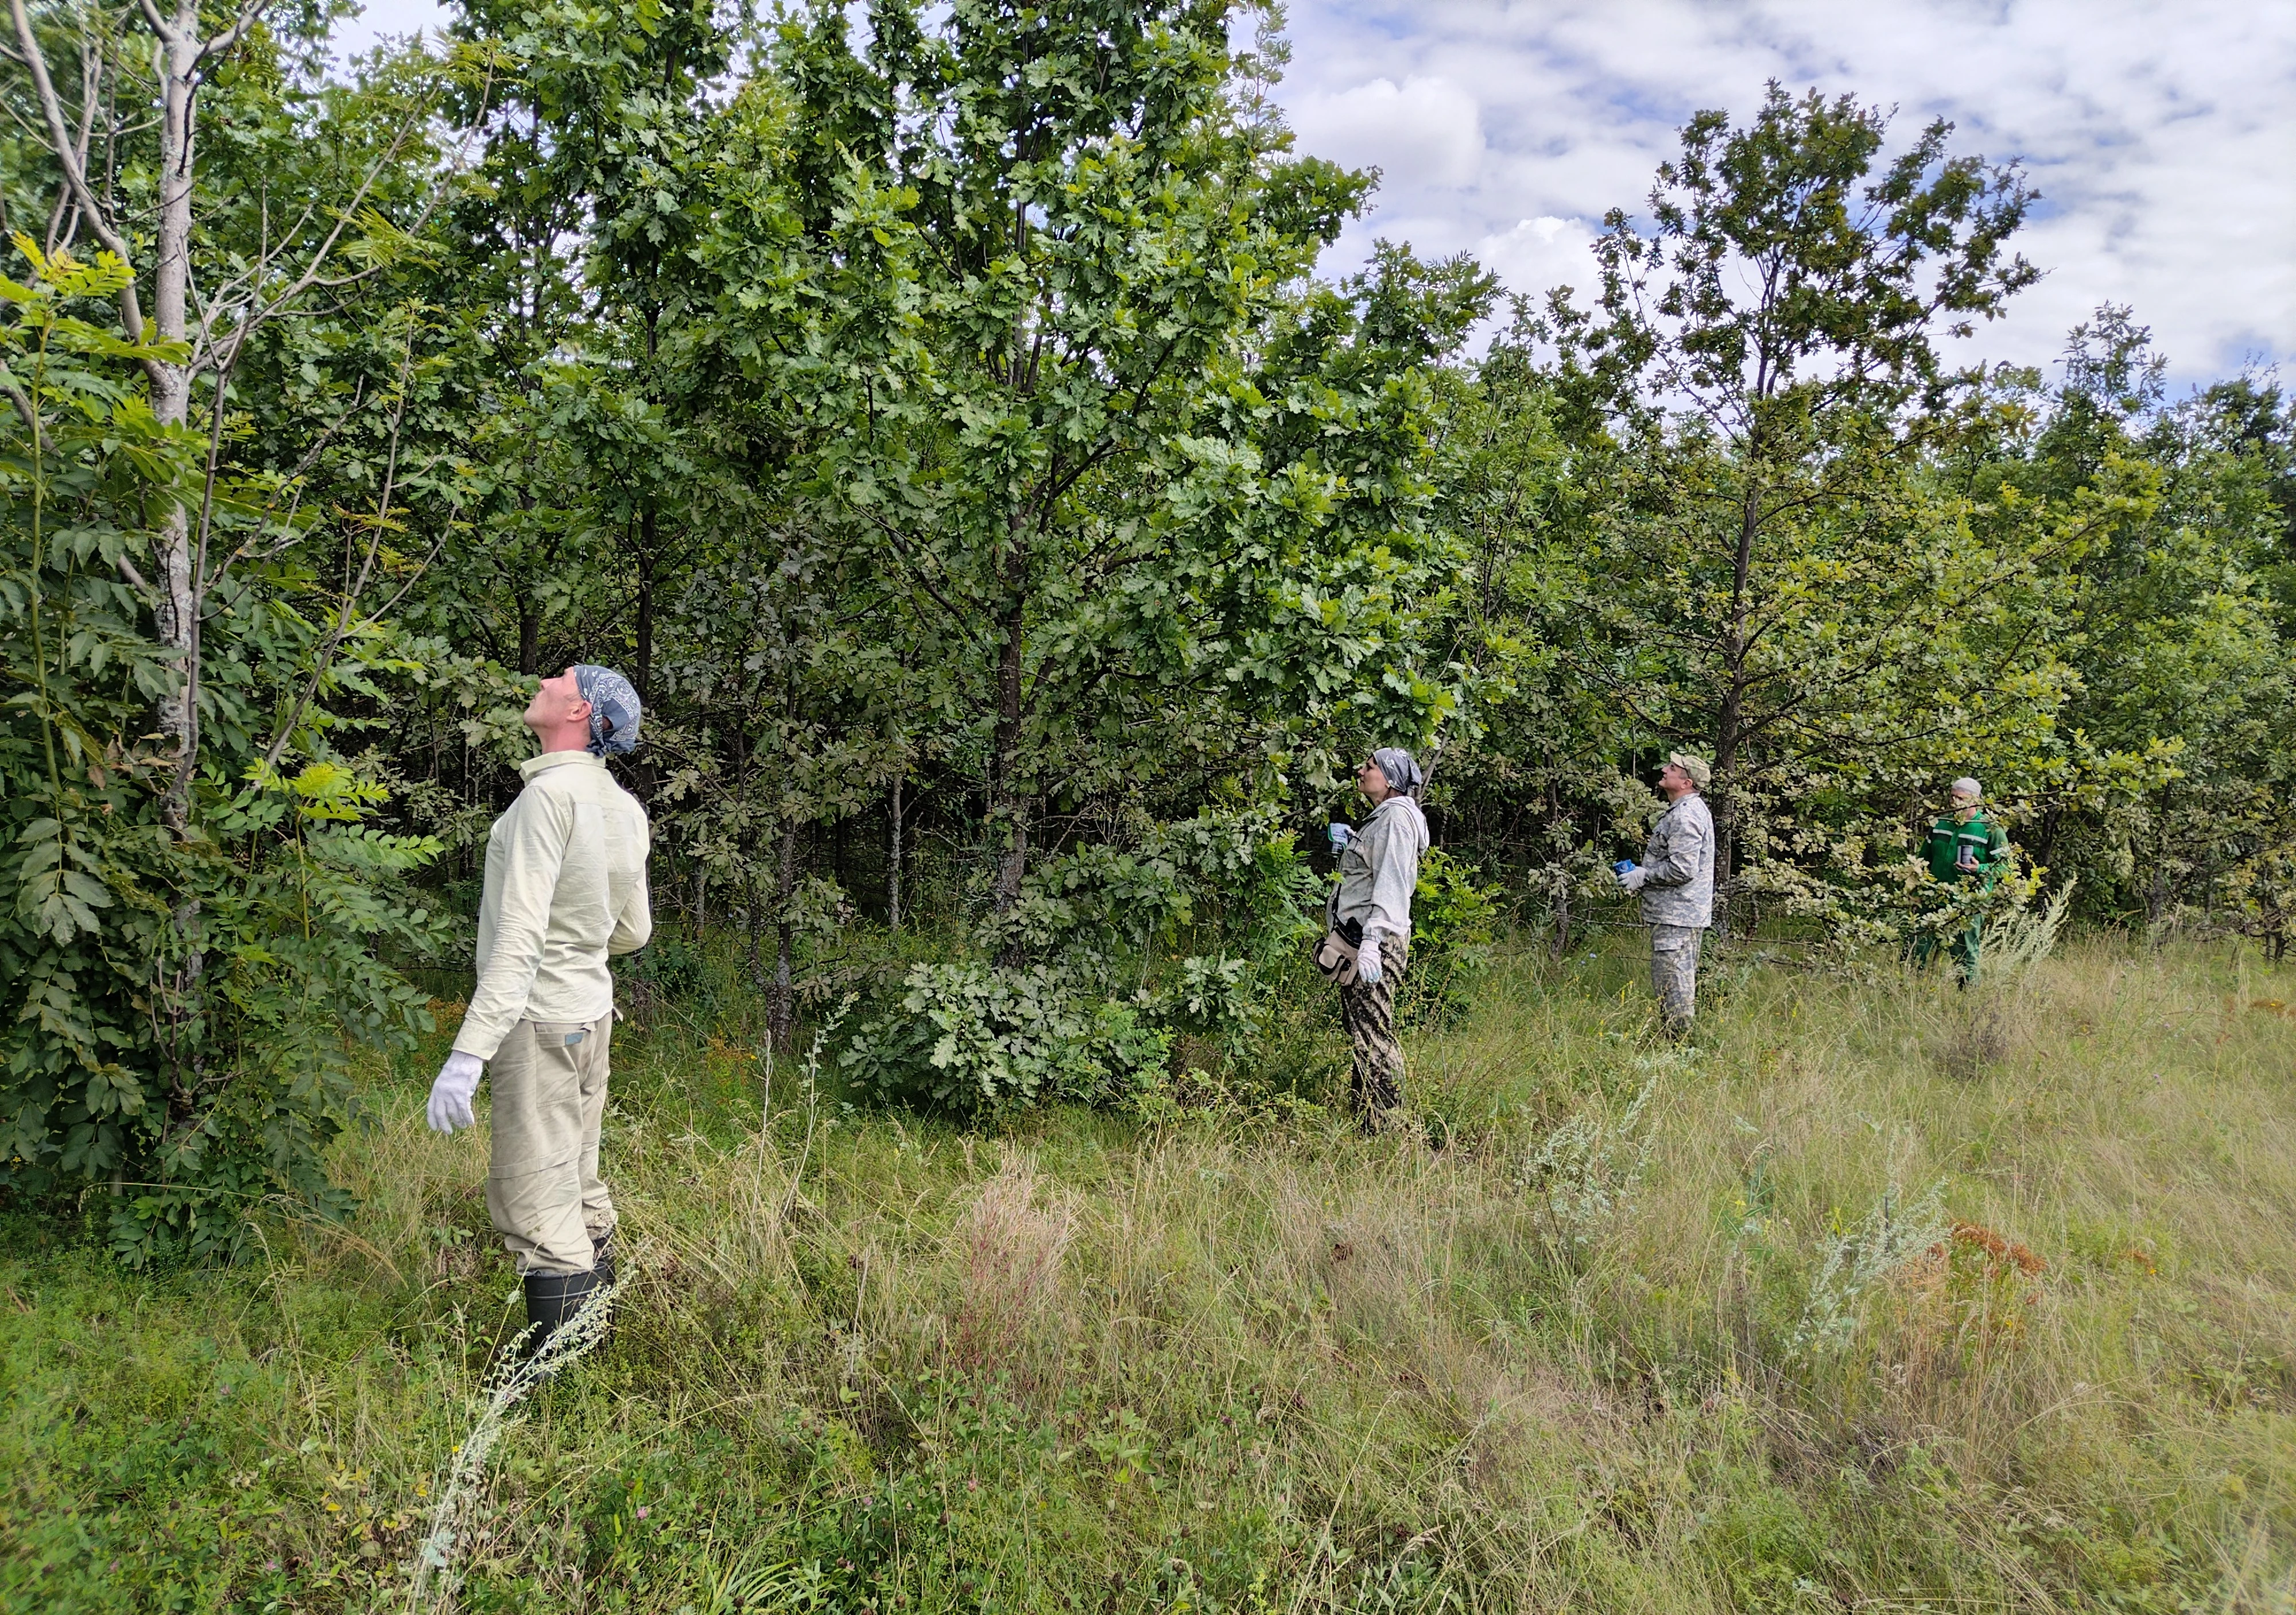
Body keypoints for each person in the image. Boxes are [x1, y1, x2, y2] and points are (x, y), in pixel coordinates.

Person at [426, 664, 653, 1354]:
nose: (546, 680)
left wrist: (468, 1054)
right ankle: (596, 1348)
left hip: (538, 1020)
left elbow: (519, 939)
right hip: (590, 1015)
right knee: (578, 1180)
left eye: (560, 677)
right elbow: (633, 931)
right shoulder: (624, 807)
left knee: (532, 1195)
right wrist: (578, 939)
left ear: (580, 709)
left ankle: (555, 1381)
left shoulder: (545, 801)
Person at [1329, 748, 1430, 1123]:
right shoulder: (1384, 819)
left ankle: (1387, 1127)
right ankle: (1365, 1118)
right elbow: (1375, 869)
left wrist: (1372, 944)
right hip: (1360, 940)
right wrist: (1352, 844)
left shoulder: (1396, 821)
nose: (1360, 770)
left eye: (1369, 767)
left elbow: (1392, 885)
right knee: (1362, 1031)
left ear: (1388, 779)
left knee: (1374, 1036)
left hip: (1375, 944)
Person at [1615, 753, 1715, 1038]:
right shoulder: (1685, 810)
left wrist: (1645, 875)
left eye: (1672, 768)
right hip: (1678, 915)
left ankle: (1679, 1046)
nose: (1664, 769)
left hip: (1677, 917)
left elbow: (1683, 869)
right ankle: (1678, 1042)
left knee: (1674, 986)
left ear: (1687, 782)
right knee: (1674, 982)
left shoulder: (1686, 815)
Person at [1917, 777, 2010, 984]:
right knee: (1918, 946)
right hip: (1933, 897)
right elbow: (1923, 859)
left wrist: (1981, 868)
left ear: (1976, 800)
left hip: (1968, 902)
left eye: (1962, 798)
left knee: (1965, 954)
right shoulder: (1942, 823)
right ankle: (1912, 991)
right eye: (1953, 797)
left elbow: (2006, 867)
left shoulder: (1991, 829)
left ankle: (1967, 999)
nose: (1955, 803)